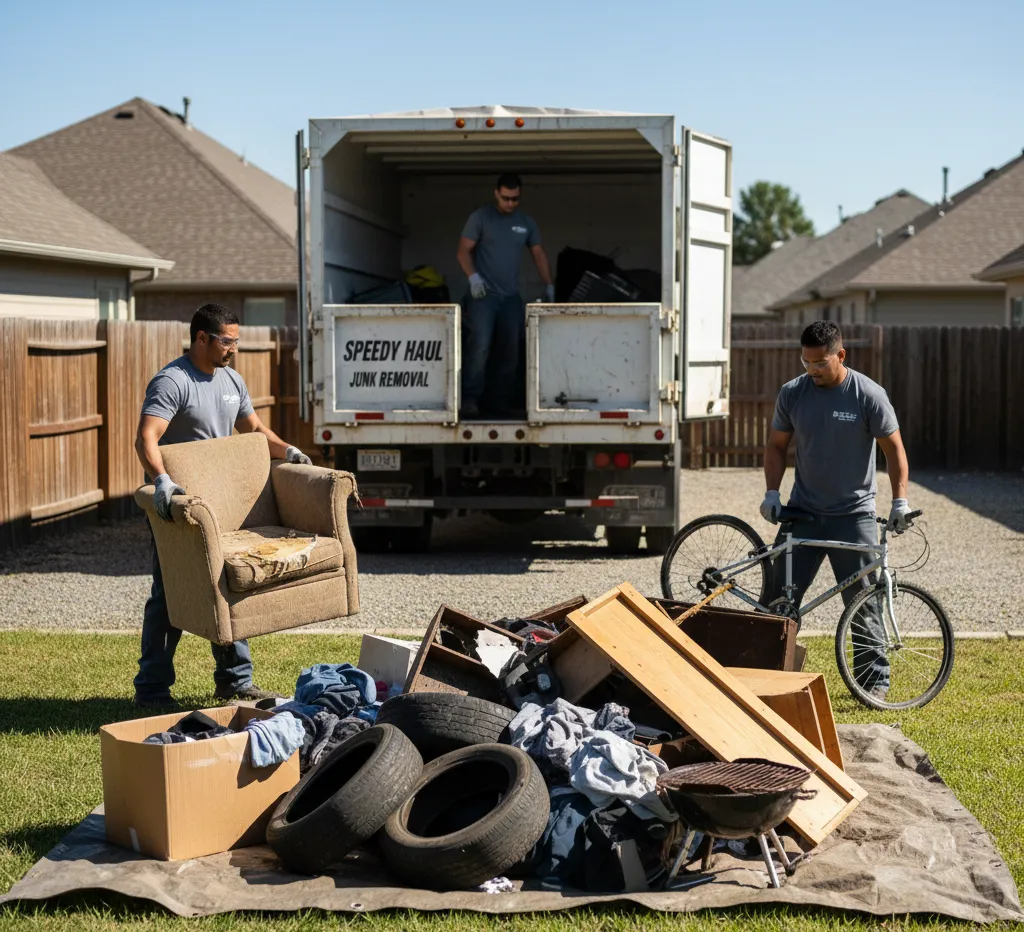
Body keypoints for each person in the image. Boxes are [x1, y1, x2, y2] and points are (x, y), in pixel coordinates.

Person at [132, 303, 313, 709]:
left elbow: (254, 430)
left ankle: (234, 681)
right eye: (227, 341)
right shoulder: (173, 381)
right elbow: (146, 437)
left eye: (236, 340)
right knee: (171, 593)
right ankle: (151, 688)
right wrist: (162, 481)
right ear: (202, 338)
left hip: (221, 505)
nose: (234, 348)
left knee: (228, 584)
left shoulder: (232, 380)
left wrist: (288, 450)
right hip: (179, 508)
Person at [761, 320, 911, 700]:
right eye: (806, 362)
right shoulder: (793, 393)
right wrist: (772, 493)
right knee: (777, 599)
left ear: (840, 355)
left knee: (864, 603)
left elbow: (893, 449)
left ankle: (873, 685)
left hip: (854, 516)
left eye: (820, 363)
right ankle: (762, 675)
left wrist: (899, 500)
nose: (812, 369)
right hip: (803, 512)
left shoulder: (867, 395)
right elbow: (776, 445)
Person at [456, 172, 554, 418]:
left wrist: (549, 285)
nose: (510, 203)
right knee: (480, 346)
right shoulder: (480, 217)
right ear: (496, 194)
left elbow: (538, 253)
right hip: (483, 296)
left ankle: (499, 401)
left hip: (510, 297)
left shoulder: (525, 222)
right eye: (506, 198)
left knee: (511, 350)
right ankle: (470, 399)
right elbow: (463, 251)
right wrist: (473, 277)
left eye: (515, 199)